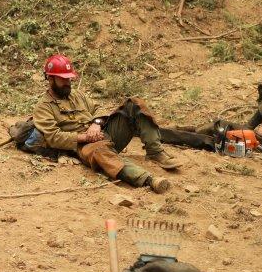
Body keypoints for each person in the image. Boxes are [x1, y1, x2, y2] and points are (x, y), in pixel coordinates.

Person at [29, 54, 175, 192]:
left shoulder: (77, 95)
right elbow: (54, 137)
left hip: (105, 132)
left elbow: (99, 108)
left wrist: (96, 123)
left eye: (69, 79)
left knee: (135, 104)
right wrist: (86, 137)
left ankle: (155, 152)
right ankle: (148, 179)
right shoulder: (43, 107)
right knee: (100, 151)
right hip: (85, 146)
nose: (67, 83)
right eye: (63, 79)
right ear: (50, 79)